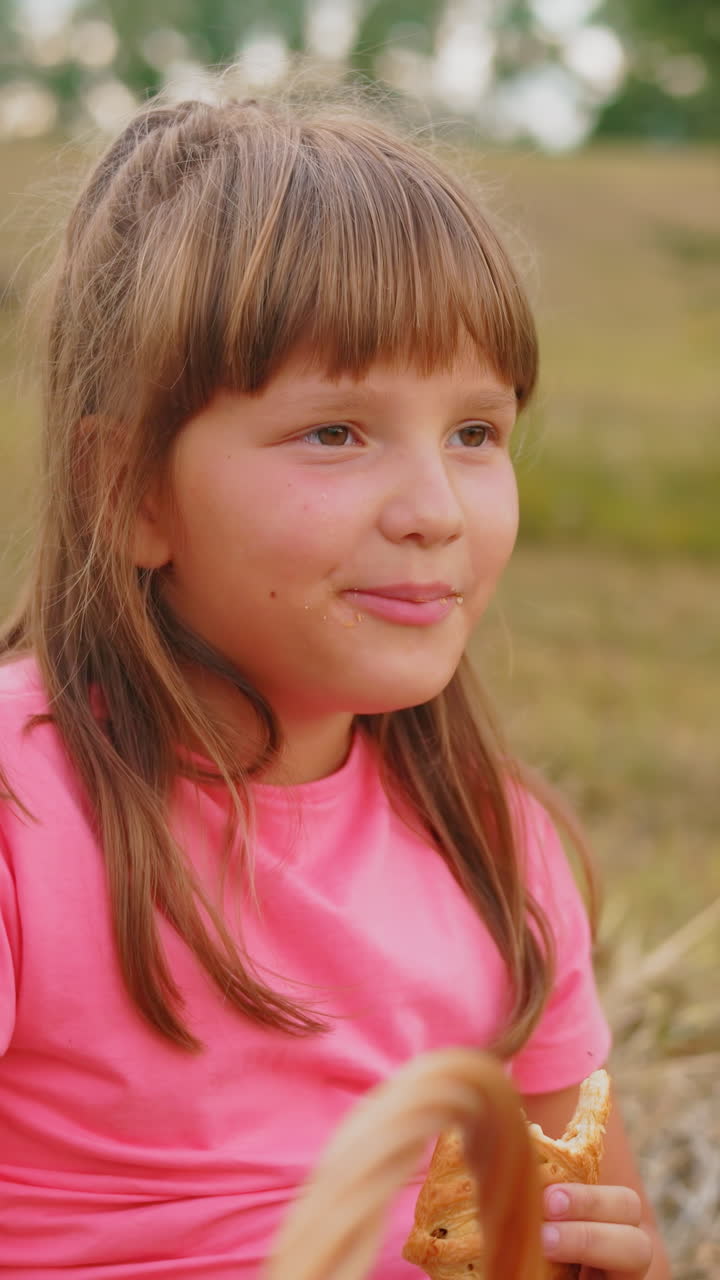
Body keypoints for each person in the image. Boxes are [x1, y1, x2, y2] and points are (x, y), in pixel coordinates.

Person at [0, 89, 668, 1279]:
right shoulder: (22, 812)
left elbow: (590, 1202)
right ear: (131, 491)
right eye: (336, 433)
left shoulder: (497, 852)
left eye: (475, 433)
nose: (434, 512)